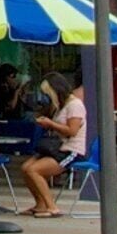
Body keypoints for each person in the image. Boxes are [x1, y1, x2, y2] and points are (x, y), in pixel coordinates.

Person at [15, 78, 88, 220]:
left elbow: (72, 131)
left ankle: (52, 206)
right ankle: (40, 204)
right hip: (56, 147)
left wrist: (51, 124)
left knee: (34, 170)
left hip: (71, 150)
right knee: (26, 168)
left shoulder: (75, 105)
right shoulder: (61, 106)